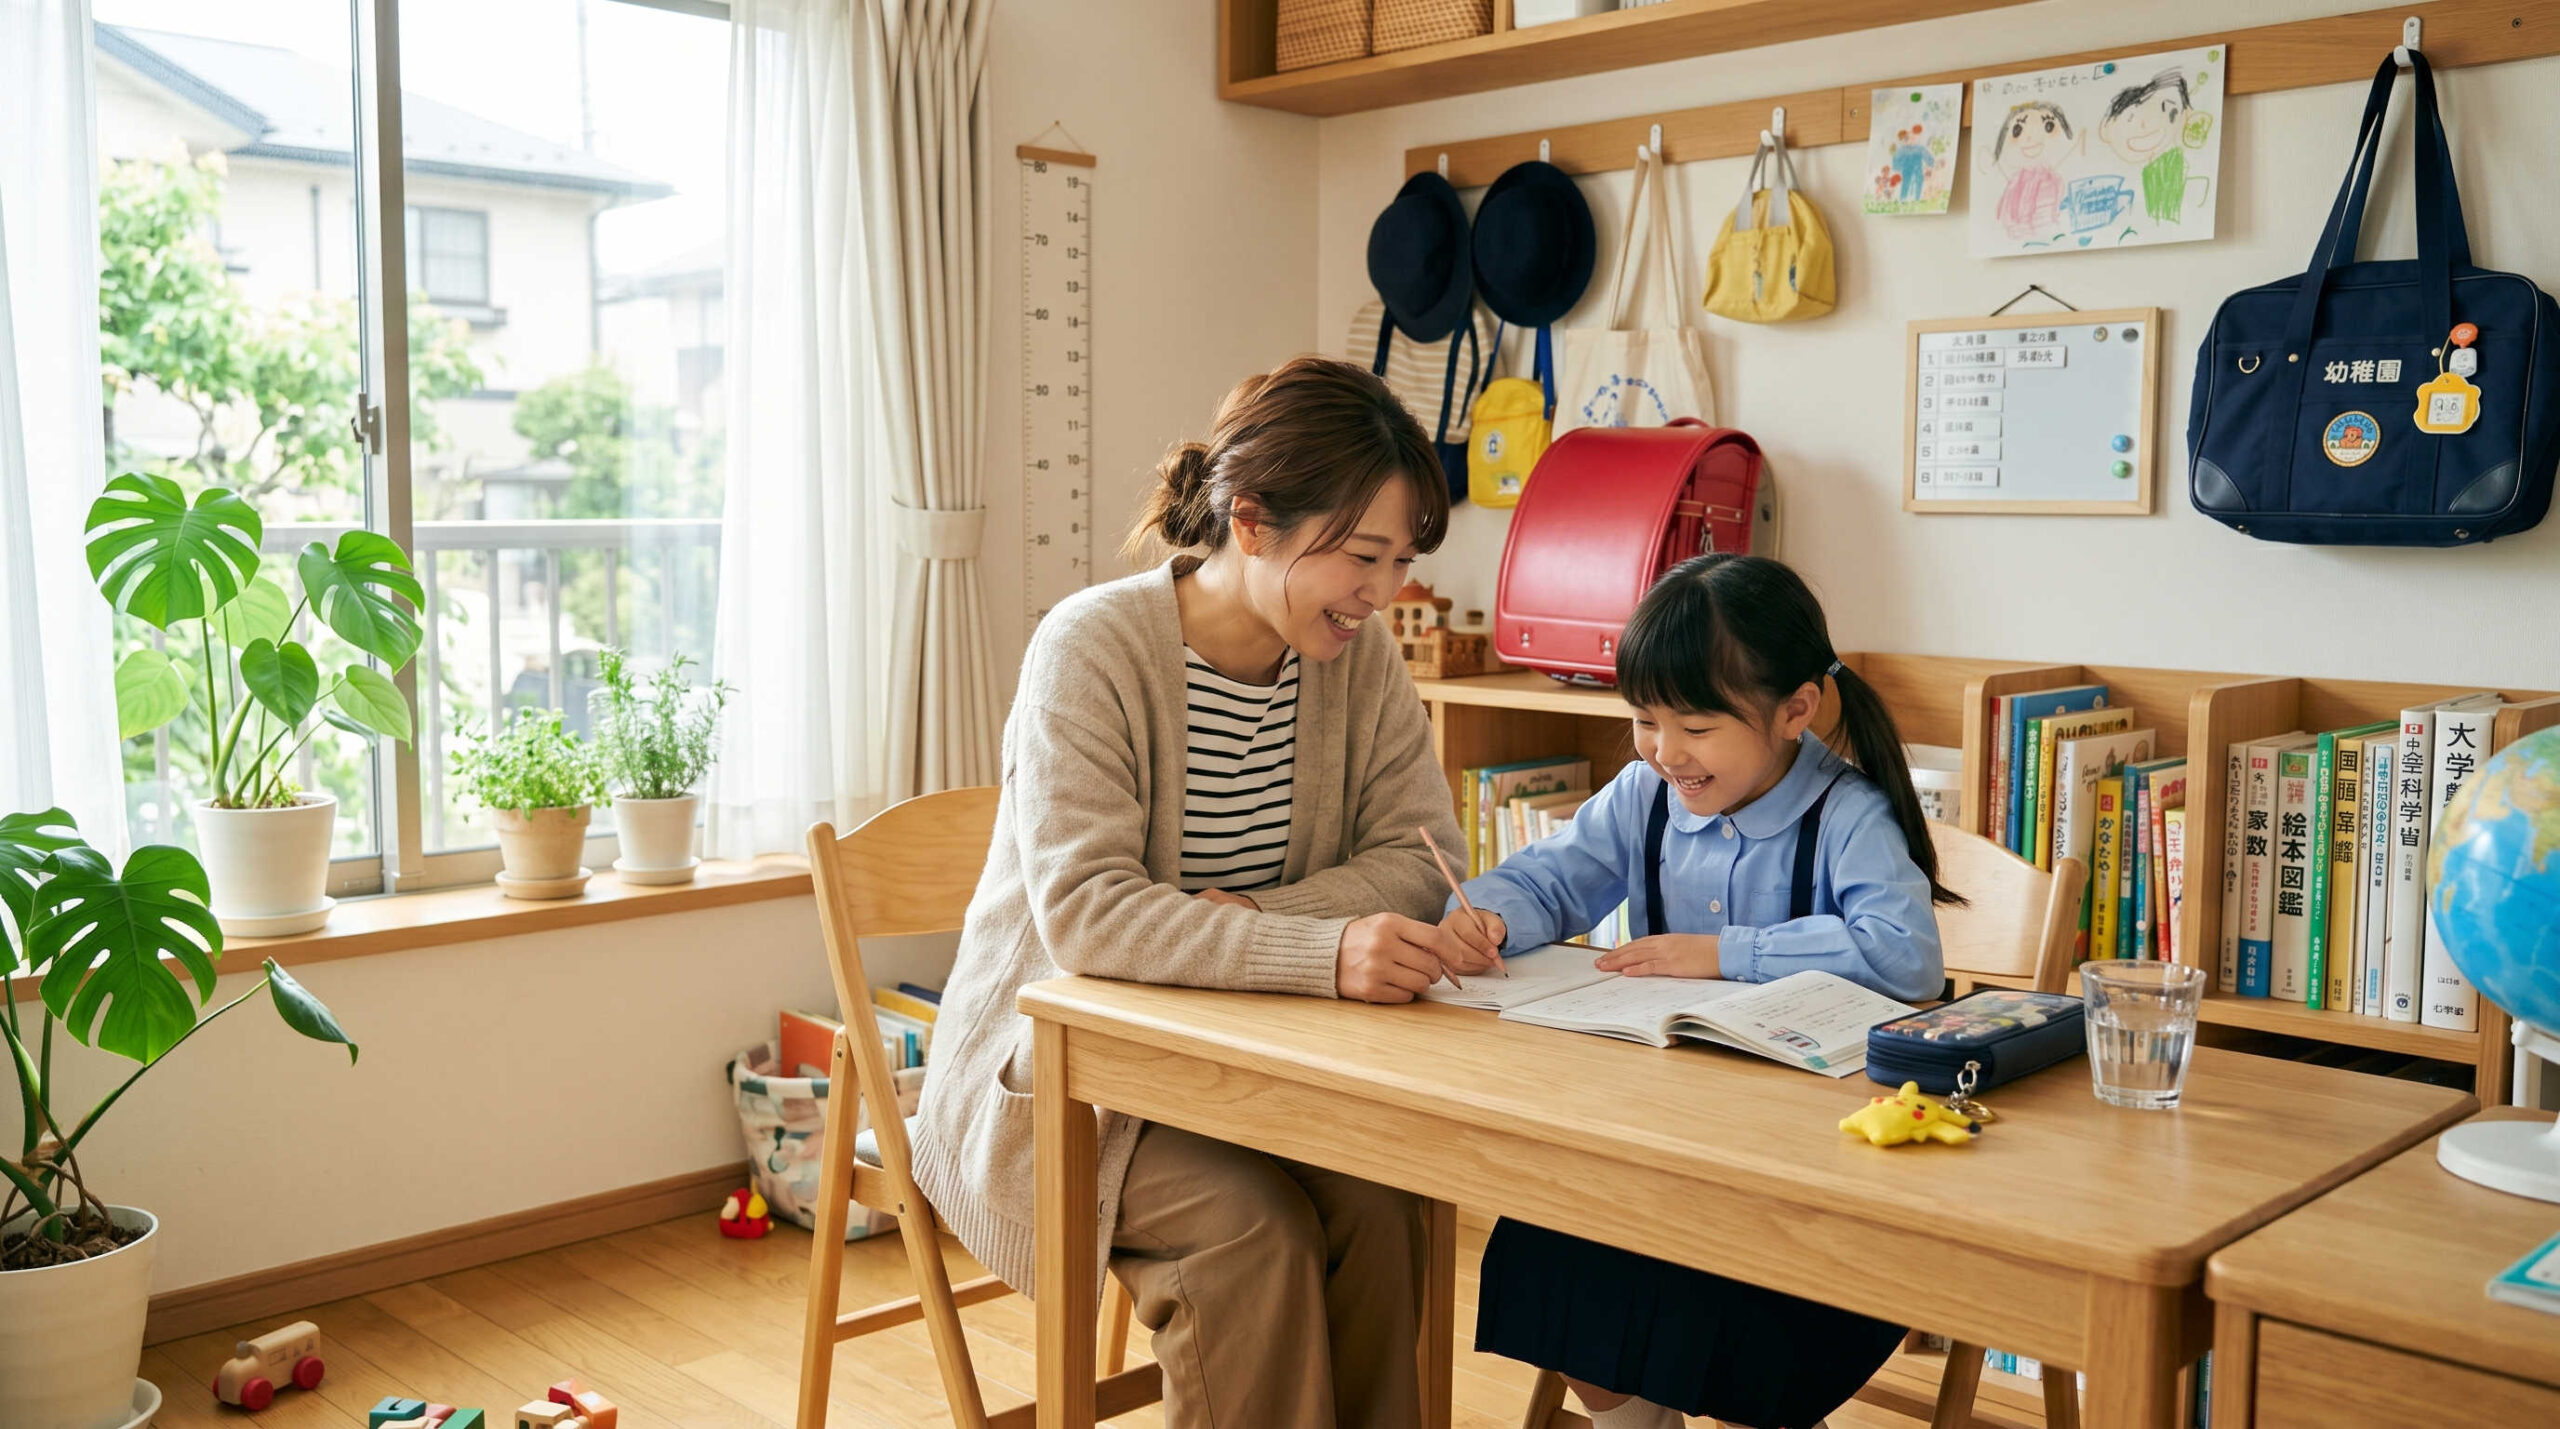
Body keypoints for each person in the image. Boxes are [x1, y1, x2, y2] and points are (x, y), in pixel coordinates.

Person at [911, 355, 1488, 1429]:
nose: (1383, 592)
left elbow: (1421, 858)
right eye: (1362, 556)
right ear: (1252, 522)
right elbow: (1087, 915)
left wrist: (1262, 920)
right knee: (1250, 1235)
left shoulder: (1357, 659)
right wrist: (1326, 949)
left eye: (1401, 561)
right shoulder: (1090, 647)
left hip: (1261, 1057)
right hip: (1081, 1085)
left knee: (1379, 1203)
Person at [1439, 553, 1956, 1429]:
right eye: (1645, 720)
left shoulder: (1847, 814)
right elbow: (1551, 879)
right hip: (1660, 1145)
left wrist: (1727, 952)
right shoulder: (1646, 794)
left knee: (1739, 1327)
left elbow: (1905, 958)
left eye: (1697, 726)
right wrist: (1487, 916)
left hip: (1804, 1181)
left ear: (1795, 710)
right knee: (1546, 1251)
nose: (1664, 751)